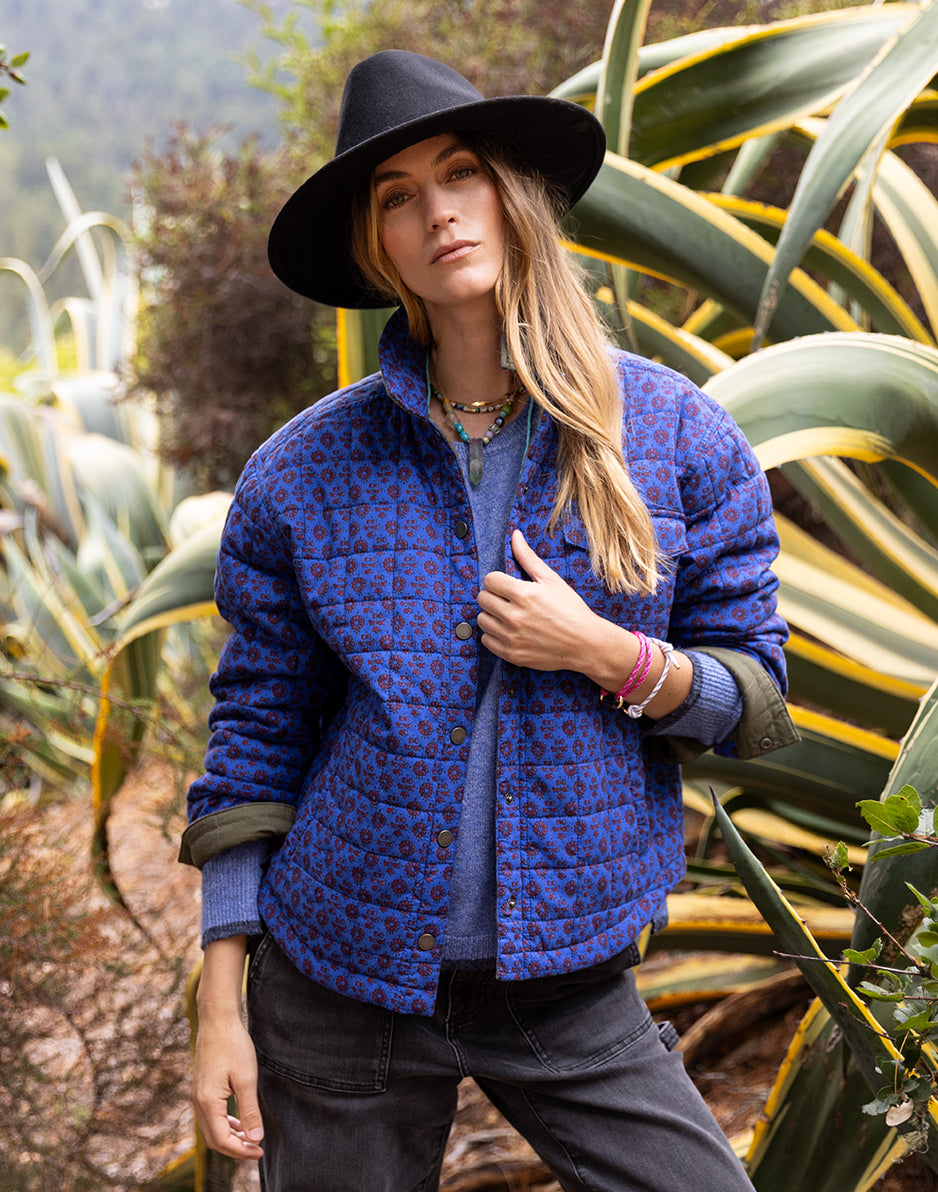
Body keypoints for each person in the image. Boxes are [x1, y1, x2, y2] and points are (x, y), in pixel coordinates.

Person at [181, 49, 798, 1192]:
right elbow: (252, 744)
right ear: (375, 243)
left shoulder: (674, 434)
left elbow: (753, 705)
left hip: (564, 978)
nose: (437, 212)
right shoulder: (303, 472)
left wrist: (608, 655)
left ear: (511, 193)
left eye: (460, 173)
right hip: (337, 985)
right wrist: (221, 1005)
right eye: (397, 195)